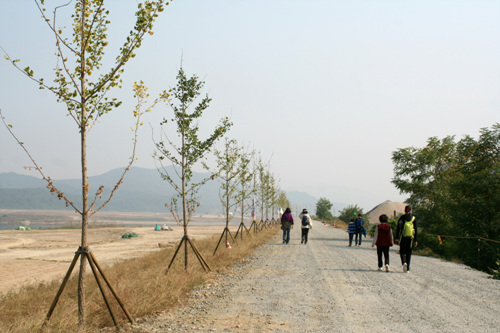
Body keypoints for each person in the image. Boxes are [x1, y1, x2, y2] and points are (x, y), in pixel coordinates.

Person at [395, 205, 418, 273]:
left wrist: (397, 238)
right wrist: (415, 240)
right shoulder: (413, 218)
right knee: (409, 253)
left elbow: (398, 228)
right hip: (410, 238)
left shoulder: (402, 218)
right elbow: (416, 230)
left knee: (402, 251)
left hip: (403, 237)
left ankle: (404, 262)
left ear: (405, 210)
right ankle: (407, 269)